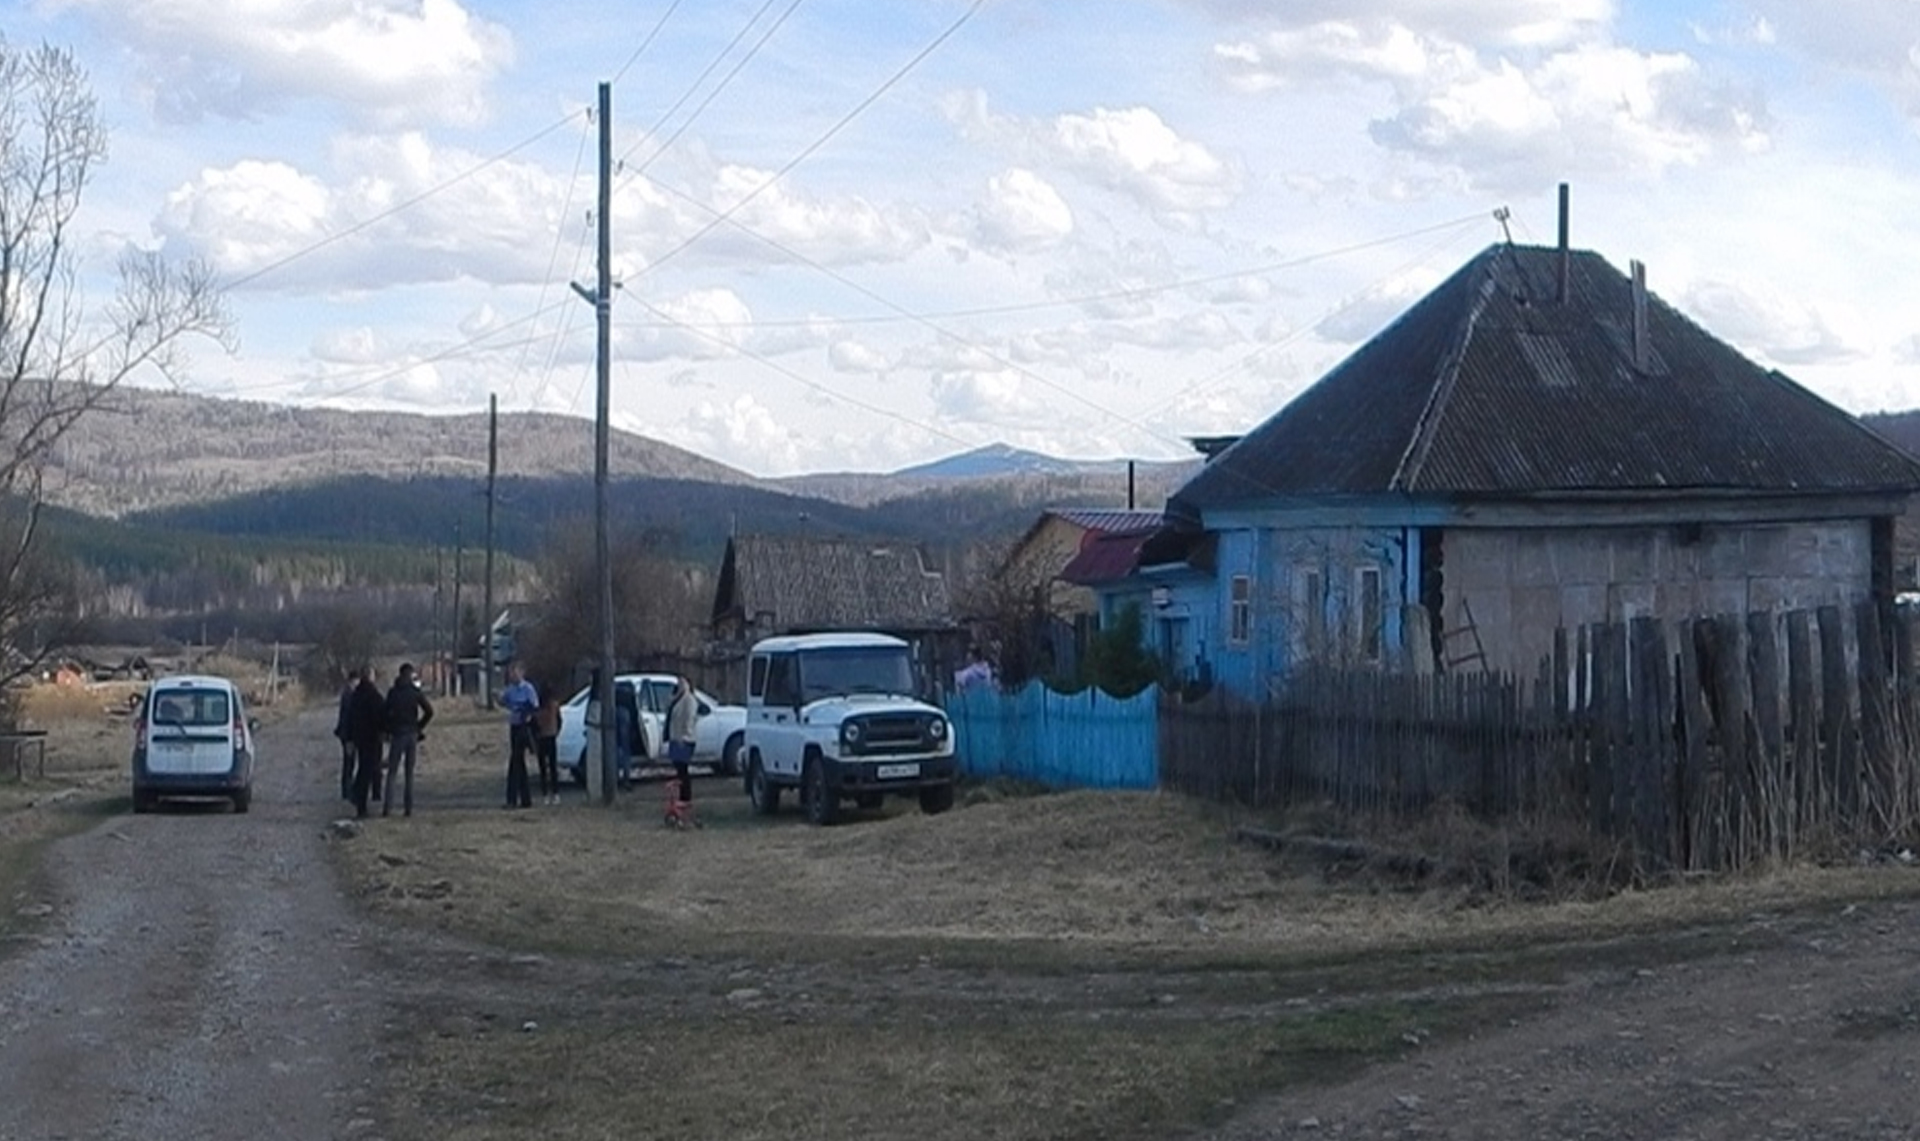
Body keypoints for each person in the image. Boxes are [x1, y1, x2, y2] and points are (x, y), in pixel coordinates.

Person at [382, 662, 434, 818]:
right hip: (412, 734)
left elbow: (384, 713)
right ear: (410, 675)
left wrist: (388, 730)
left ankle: (388, 808)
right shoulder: (414, 692)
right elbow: (429, 711)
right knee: (409, 773)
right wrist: (419, 727)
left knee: (392, 772)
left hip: (397, 735)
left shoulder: (393, 692)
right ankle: (408, 808)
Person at [345, 665, 387, 819]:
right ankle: (358, 797)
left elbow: (349, 718)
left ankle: (358, 799)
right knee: (367, 771)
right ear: (370, 676)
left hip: (359, 738)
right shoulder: (373, 695)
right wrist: (385, 732)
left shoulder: (356, 695)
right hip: (372, 738)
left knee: (363, 768)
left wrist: (349, 738)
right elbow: (381, 716)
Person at [499, 662, 538, 809]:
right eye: (510, 672)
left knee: (515, 762)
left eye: (514, 672)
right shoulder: (510, 690)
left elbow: (534, 706)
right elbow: (505, 702)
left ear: (522, 672)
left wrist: (526, 714)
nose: (512, 675)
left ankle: (512, 799)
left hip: (524, 727)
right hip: (514, 727)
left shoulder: (528, 689)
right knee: (519, 762)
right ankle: (525, 800)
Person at [665, 676, 700, 811]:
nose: (679, 685)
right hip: (676, 738)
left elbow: (689, 719)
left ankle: (686, 798)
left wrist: (684, 736)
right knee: (679, 770)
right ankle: (681, 797)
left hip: (685, 740)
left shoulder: (689, 700)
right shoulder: (677, 699)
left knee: (683, 769)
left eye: (682, 683)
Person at [333, 667, 360, 802]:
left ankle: (346, 789)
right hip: (348, 734)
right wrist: (349, 736)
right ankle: (347, 790)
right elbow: (347, 717)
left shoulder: (346, 693)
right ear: (354, 680)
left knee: (348, 762)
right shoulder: (349, 694)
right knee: (349, 763)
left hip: (345, 733)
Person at [532, 682, 561, 806]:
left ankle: (545, 794)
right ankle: (555, 793)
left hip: (540, 738)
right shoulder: (555, 706)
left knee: (543, 768)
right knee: (553, 767)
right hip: (551, 737)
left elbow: (533, 724)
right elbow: (560, 720)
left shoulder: (537, 708)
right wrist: (556, 731)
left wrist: (535, 735)